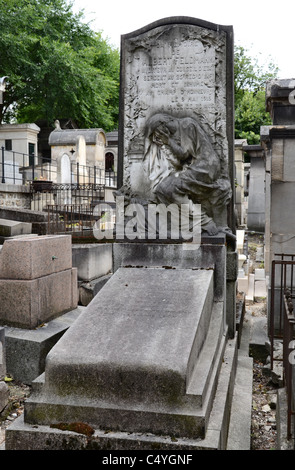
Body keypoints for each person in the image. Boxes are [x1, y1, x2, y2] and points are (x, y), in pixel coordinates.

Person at [143, 113, 233, 236]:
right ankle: (192, 221)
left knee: (166, 188)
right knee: (162, 189)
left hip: (205, 167)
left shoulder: (186, 124)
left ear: (162, 126)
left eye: (157, 132)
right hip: (198, 167)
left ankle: (203, 221)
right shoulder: (178, 130)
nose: (157, 135)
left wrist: (168, 141)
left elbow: (184, 154)